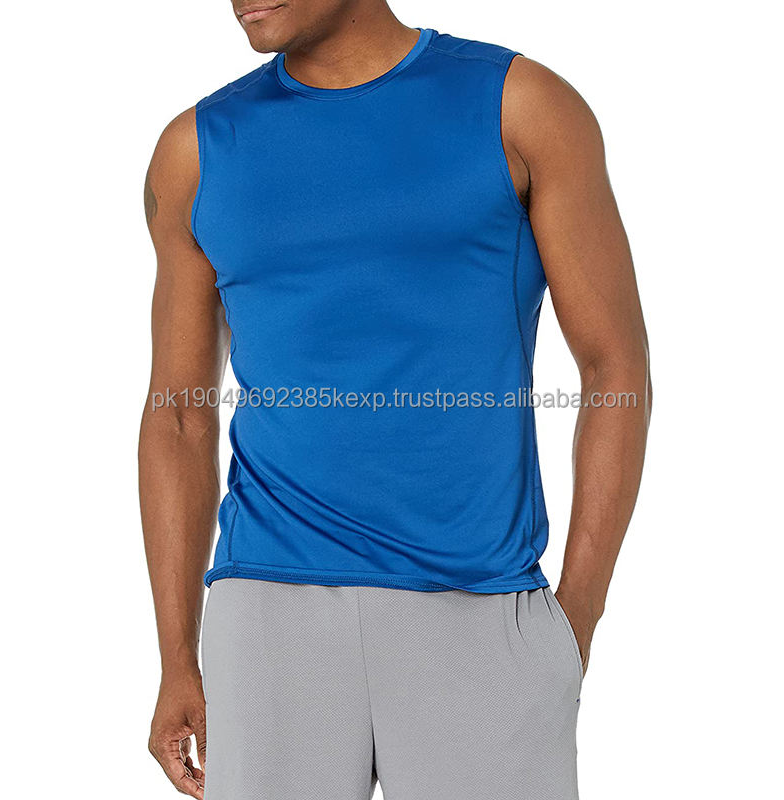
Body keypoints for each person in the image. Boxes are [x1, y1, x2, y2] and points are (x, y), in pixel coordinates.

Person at [139, 2, 651, 798]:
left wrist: (572, 623)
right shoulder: (196, 151)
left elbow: (614, 367)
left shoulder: (519, 107)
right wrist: (177, 657)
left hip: (480, 602)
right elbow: (178, 412)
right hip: (267, 606)